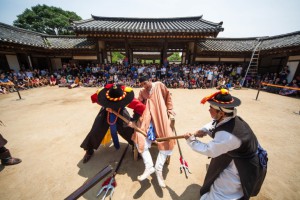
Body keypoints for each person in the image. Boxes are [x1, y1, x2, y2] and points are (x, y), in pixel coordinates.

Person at [184, 89, 267, 200]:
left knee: (223, 193)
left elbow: (210, 150)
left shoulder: (228, 135)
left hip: (242, 165)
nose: (209, 110)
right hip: (237, 156)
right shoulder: (229, 118)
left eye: (211, 108)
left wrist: (191, 140)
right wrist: (204, 130)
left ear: (221, 113)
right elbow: (214, 124)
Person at [80, 83, 145, 163]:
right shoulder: (101, 94)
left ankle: (134, 146)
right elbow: (94, 97)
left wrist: (134, 119)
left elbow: (141, 107)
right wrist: (104, 104)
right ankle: (89, 150)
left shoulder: (126, 96)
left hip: (120, 112)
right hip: (105, 111)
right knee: (96, 130)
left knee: (128, 129)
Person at [130, 76, 176, 188]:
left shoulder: (159, 85)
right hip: (147, 117)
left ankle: (158, 169)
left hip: (160, 115)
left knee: (168, 138)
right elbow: (138, 105)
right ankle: (149, 166)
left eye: (145, 83)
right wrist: (134, 119)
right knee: (138, 136)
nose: (144, 86)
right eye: (142, 85)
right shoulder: (142, 91)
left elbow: (168, 97)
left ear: (150, 80)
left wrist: (169, 110)